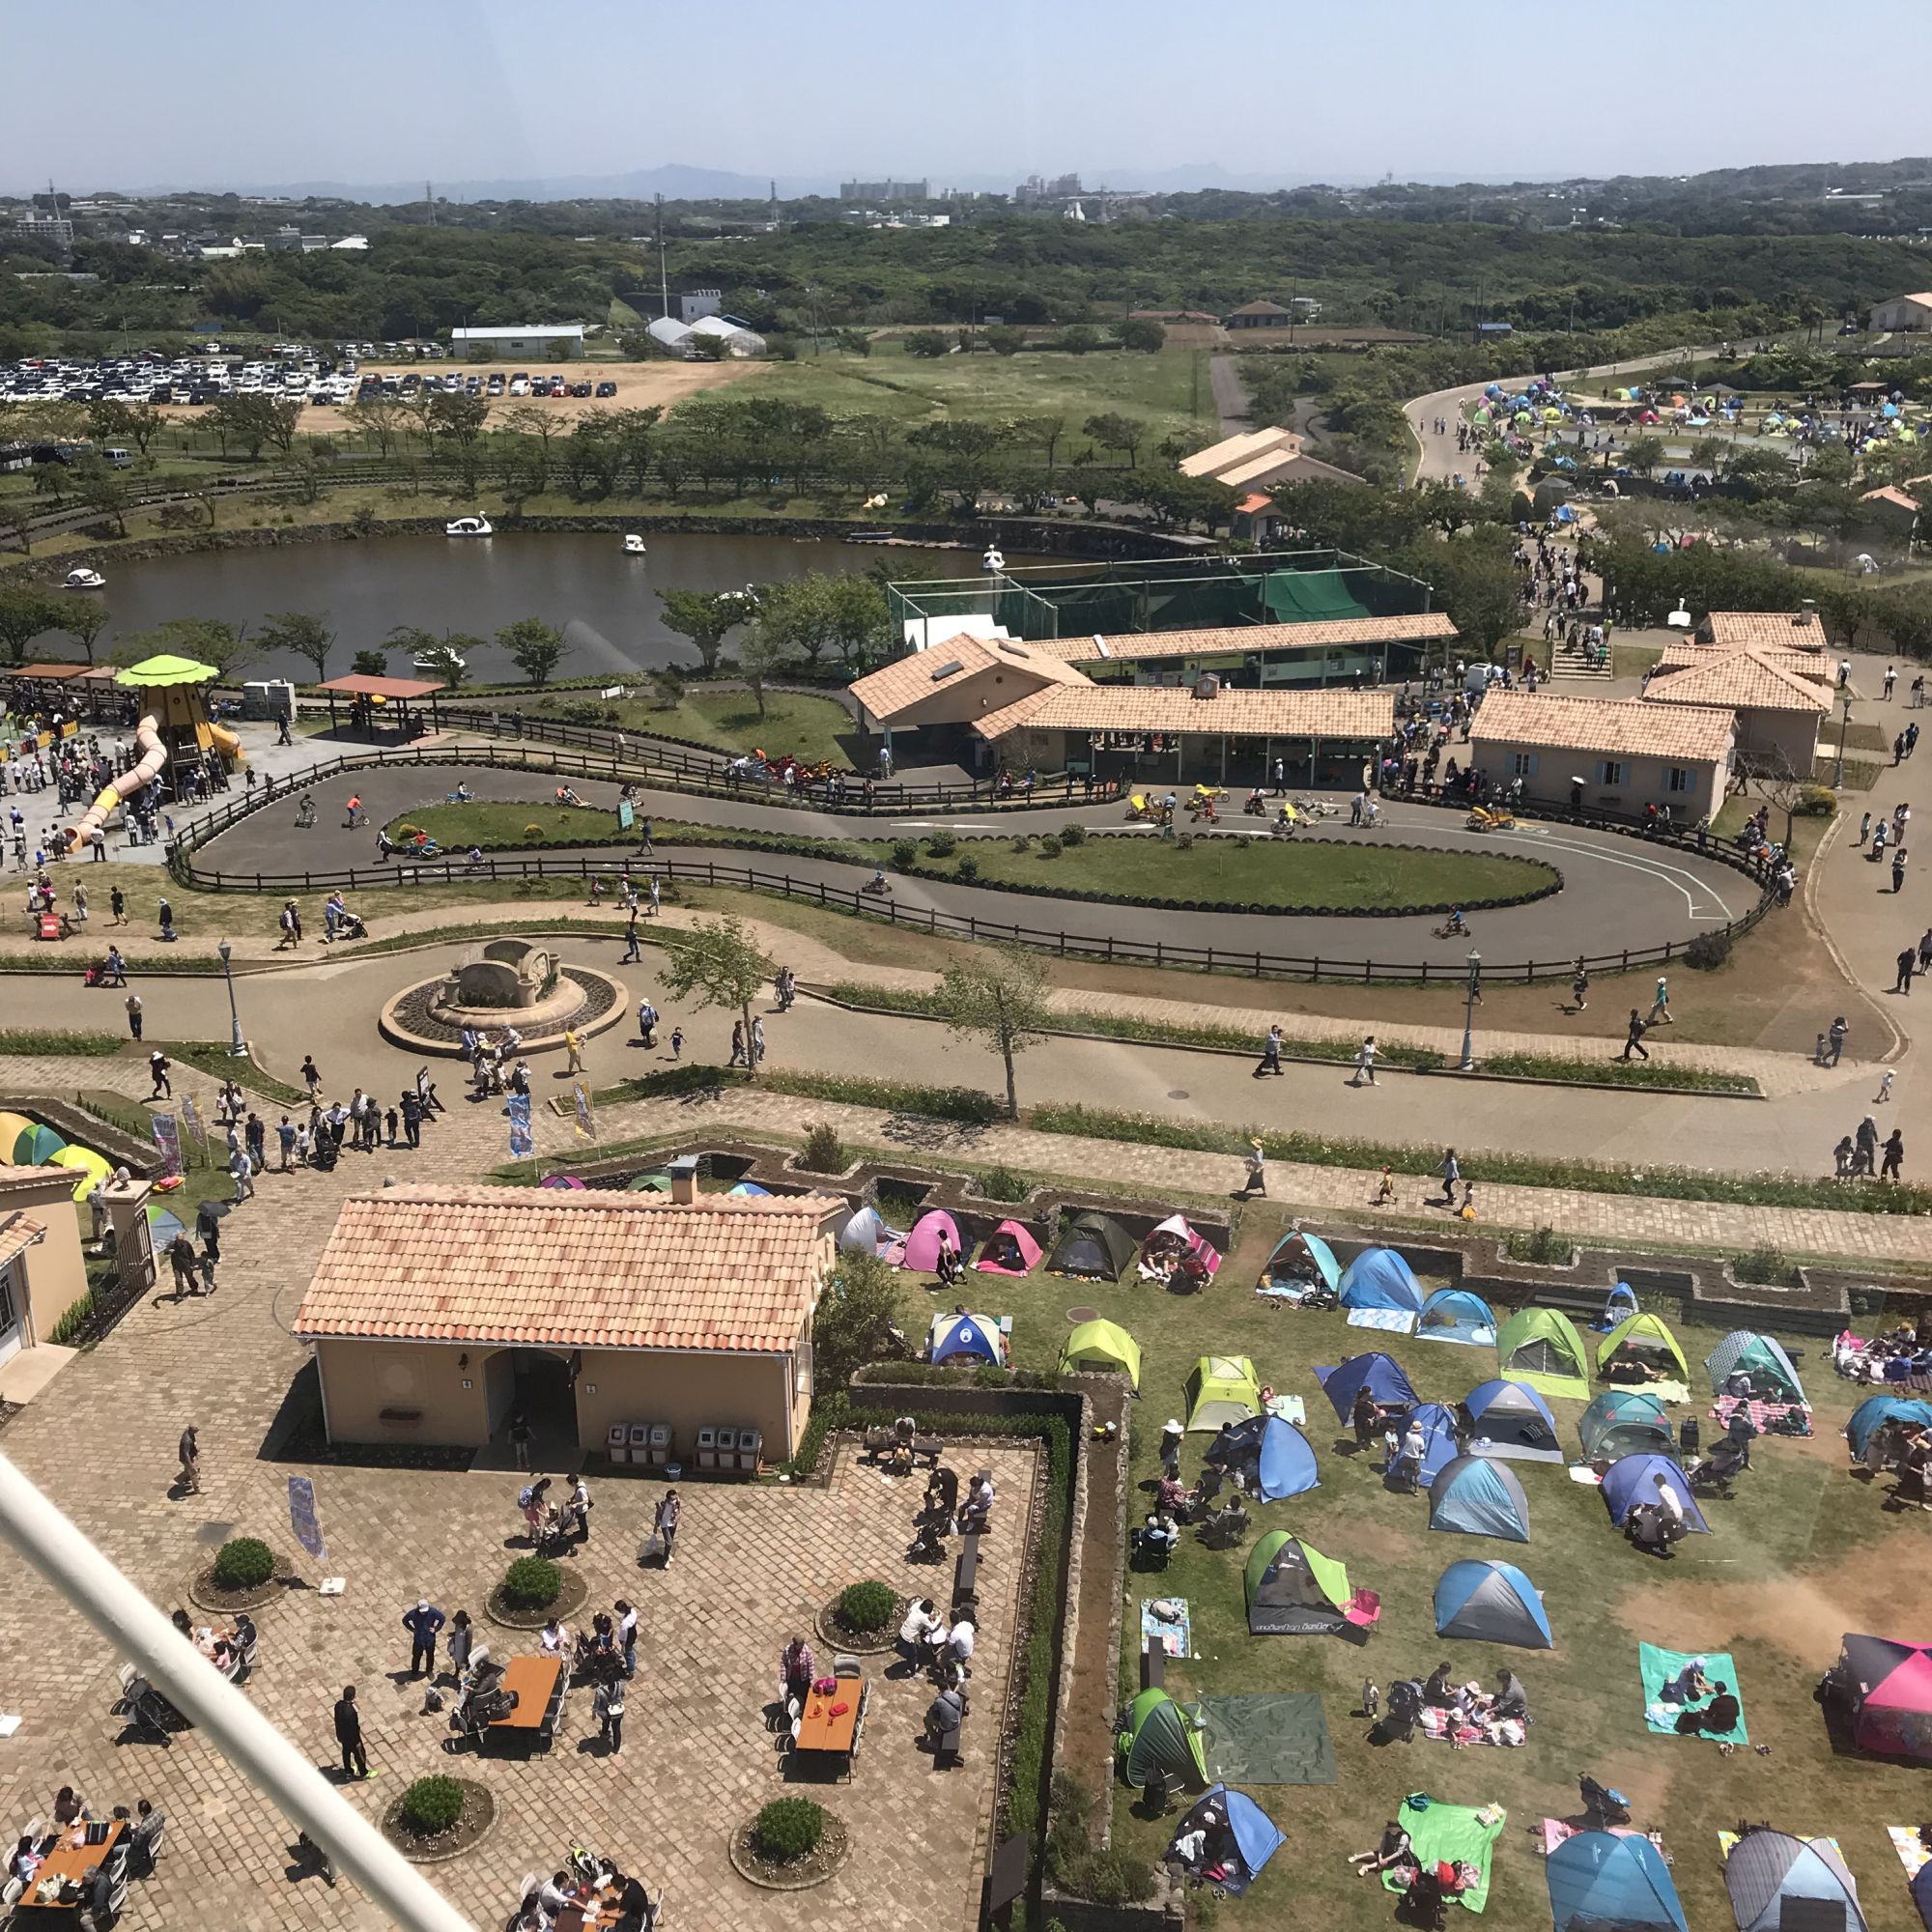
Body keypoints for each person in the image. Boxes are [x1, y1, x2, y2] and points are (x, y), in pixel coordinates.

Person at [1348, 1821, 1414, 1879]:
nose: (1389, 1830)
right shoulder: (1387, 1833)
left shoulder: (1403, 1837)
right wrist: (1380, 1856)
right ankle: (1358, 1857)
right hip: (1389, 1849)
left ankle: (1365, 1867)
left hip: (1398, 1855)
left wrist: (1386, 1859)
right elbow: (1382, 1845)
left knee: (1385, 1863)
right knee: (1376, 1854)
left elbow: (1399, 1852)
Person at [1675, 1681, 1740, 1737]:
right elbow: (1737, 1713)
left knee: (1700, 1717)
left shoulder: (1716, 1701)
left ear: (1717, 1690)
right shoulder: (1733, 1699)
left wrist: (1703, 1711)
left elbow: (1709, 1714)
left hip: (1719, 1726)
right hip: (1732, 1726)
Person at [402, 1598, 445, 1678]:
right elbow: (405, 1620)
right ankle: (414, 1671)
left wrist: (436, 1629)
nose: (424, 1613)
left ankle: (429, 1671)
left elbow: (442, 1618)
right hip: (418, 1639)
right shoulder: (413, 1614)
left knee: (430, 1655)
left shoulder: (433, 1612)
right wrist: (412, 1629)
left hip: (430, 1639)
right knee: (416, 1656)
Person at [333, 1685, 370, 1779]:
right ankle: (363, 1773)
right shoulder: (351, 1712)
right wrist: (357, 1741)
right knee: (360, 1754)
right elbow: (353, 1728)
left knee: (346, 1752)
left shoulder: (338, 1705)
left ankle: (348, 1771)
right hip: (352, 1739)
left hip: (342, 1736)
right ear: (352, 1696)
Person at [781, 1634, 815, 1707]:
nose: (801, 1647)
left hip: (803, 1678)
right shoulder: (788, 1649)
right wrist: (783, 1677)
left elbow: (811, 1665)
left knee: (804, 1694)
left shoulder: (807, 1651)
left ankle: (804, 1706)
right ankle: (792, 1706)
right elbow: (783, 1662)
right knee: (792, 1692)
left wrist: (812, 1679)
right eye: (799, 1645)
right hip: (792, 1677)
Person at [594, 1675, 625, 1754]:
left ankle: (604, 1733)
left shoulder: (600, 1691)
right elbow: (623, 1694)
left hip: (605, 1711)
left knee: (605, 1721)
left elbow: (597, 1703)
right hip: (617, 1711)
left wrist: (594, 1712)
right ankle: (616, 1748)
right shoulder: (619, 1685)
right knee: (616, 1729)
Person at [654, 1488, 680, 1566]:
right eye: (672, 1499)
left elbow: (679, 1510)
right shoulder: (662, 1506)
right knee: (669, 1543)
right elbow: (657, 1516)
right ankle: (665, 1559)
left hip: (673, 1524)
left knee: (670, 1541)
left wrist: (677, 1518)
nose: (674, 1500)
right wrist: (656, 1526)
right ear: (668, 1499)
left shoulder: (677, 1502)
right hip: (665, 1525)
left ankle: (667, 1554)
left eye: (675, 1498)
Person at [615, 1599, 639, 1678]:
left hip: (628, 1638)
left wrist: (623, 1647)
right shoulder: (632, 1611)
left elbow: (624, 1636)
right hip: (633, 1633)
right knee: (630, 1650)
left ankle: (631, 1671)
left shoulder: (625, 1623)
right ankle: (633, 1661)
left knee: (628, 1654)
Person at [177, 1422, 200, 1494]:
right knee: (193, 1473)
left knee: (188, 1470)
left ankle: (179, 1478)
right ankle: (197, 1489)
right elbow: (186, 1454)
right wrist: (190, 1464)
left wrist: (196, 1448)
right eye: (196, 1430)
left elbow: (193, 1439)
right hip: (186, 1459)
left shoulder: (189, 1432)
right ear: (191, 1429)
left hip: (191, 1455)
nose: (197, 1431)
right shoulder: (187, 1440)